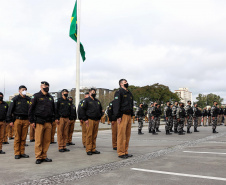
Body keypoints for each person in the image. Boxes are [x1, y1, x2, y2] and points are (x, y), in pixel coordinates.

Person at [29, 81, 55, 164]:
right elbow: (31, 109)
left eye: (47, 85)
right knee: (38, 141)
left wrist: (53, 120)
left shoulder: (50, 97)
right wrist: (32, 121)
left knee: (47, 140)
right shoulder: (36, 96)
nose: (46, 87)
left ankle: (44, 156)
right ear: (41, 87)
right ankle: (38, 157)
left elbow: (53, 109)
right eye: (44, 85)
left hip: (48, 122)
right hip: (39, 121)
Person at [7, 85, 30, 159]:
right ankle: (17, 153)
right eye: (23, 90)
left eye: (25, 90)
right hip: (17, 120)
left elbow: (31, 110)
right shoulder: (15, 99)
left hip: (26, 120)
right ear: (19, 91)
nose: (24, 91)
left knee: (23, 137)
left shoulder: (28, 99)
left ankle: (22, 152)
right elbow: (10, 110)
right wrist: (10, 120)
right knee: (17, 137)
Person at [113, 79, 134, 159]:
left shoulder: (129, 93)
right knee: (121, 135)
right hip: (122, 115)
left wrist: (132, 114)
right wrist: (118, 116)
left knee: (127, 135)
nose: (127, 83)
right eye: (125, 82)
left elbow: (131, 104)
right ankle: (121, 152)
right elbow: (116, 104)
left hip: (128, 115)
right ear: (121, 84)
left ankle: (125, 151)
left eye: (127, 82)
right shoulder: (119, 92)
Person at [80, 88, 102, 155]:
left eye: (94, 92)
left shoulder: (97, 101)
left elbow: (100, 109)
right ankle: (88, 149)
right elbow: (82, 110)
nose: (94, 93)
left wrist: (99, 117)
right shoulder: (86, 100)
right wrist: (85, 119)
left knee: (94, 135)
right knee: (89, 135)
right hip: (89, 120)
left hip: (96, 120)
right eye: (92, 92)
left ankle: (93, 148)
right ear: (89, 93)